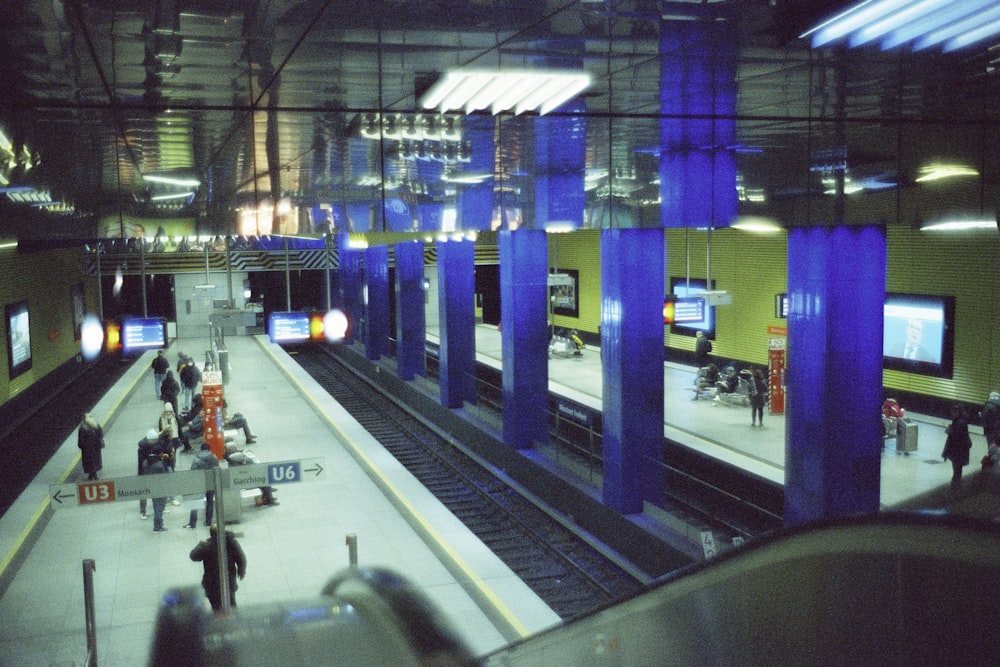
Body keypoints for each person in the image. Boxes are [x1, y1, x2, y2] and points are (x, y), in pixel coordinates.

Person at [190, 524, 247, 613]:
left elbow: (193, 556)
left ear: (211, 534)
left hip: (212, 583)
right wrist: (241, 571)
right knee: (231, 604)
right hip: (228, 580)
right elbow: (241, 558)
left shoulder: (207, 545)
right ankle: (233, 622)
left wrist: (200, 544)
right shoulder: (231, 542)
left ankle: (220, 623)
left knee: (216, 608)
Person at [186, 442, 219, 528]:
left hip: (199, 482)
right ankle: (208, 522)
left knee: (195, 501)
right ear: (209, 449)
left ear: (201, 449)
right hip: (210, 482)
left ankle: (192, 523)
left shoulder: (196, 459)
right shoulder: (214, 458)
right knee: (210, 502)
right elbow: (217, 470)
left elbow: (192, 472)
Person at [144, 435, 173, 532]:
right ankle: (158, 526)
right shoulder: (160, 465)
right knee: (159, 508)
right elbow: (165, 476)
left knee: (156, 506)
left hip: (151, 487)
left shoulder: (146, 462)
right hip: (160, 488)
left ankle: (158, 525)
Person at [942, 404, 973, 491]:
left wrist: (948, 429)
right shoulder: (961, 420)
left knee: (957, 468)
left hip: (958, 449)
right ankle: (956, 483)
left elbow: (956, 434)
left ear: (958, 412)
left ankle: (955, 485)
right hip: (961, 448)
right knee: (958, 468)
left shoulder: (960, 422)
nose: (953, 414)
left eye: (954, 412)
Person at [137, 429, 159, 520]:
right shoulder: (142, 449)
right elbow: (144, 462)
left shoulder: (151, 445)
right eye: (154, 440)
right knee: (144, 492)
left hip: (149, 472)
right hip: (144, 473)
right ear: (149, 440)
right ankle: (143, 511)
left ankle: (155, 509)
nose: (155, 442)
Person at [77, 413, 104, 480]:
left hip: (87, 449)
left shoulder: (83, 428)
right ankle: (93, 474)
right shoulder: (95, 425)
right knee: (95, 460)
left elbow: (81, 439)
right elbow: (101, 434)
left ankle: (92, 474)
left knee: (89, 462)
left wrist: (81, 446)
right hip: (95, 447)